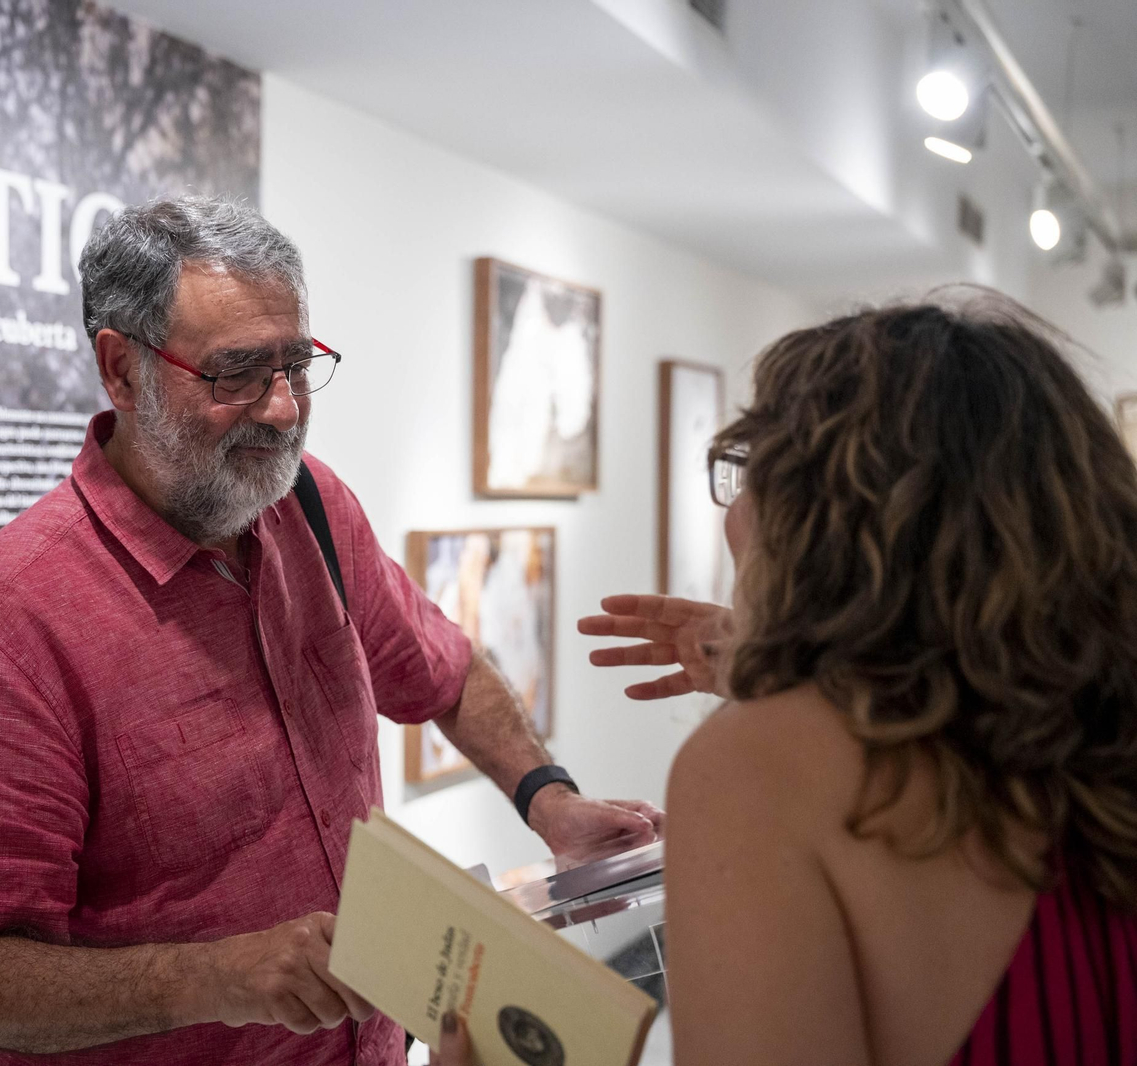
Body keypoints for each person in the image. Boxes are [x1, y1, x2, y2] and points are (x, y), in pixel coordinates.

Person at [0, 196, 663, 1066]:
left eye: (296, 365)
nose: (283, 409)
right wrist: (212, 977)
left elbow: (445, 671)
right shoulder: (13, 627)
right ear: (121, 371)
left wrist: (550, 801)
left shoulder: (309, 504)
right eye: (235, 374)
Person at [435, 293, 1137, 1065]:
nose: (732, 517)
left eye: (747, 471)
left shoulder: (758, 769)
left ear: (816, 517)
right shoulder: (1100, 723)